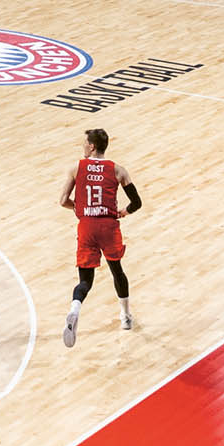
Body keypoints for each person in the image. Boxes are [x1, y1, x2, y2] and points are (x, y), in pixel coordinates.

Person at [60, 126, 142, 345]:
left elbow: (62, 201)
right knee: (117, 271)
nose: (83, 146)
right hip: (108, 226)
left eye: (85, 142)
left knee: (85, 280)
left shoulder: (76, 167)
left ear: (92, 146)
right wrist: (122, 213)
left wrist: (82, 209)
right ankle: (125, 317)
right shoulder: (118, 170)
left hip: (86, 226)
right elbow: (137, 203)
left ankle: (75, 309)